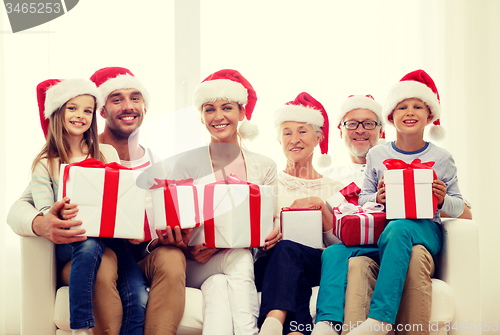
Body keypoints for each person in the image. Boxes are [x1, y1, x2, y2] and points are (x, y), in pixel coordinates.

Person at [8, 67, 188, 335]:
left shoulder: (157, 165)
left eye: (135, 97)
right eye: (116, 99)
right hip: (91, 248)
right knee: (102, 260)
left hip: (138, 252)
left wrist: (162, 237)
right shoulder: (61, 160)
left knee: (169, 259)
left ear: (145, 107)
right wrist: (41, 222)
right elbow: (20, 208)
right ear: (103, 110)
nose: (128, 106)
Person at [312, 69, 464, 335]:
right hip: (386, 234)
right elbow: (364, 199)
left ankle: (380, 319)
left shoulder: (442, 157)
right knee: (335, 252)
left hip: (425, 231)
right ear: (391, 117)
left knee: (401, 226)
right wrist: (377, 198)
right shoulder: (377, 155)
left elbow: (461, 207)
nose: (410, 112)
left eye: (418, 106)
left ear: (430, 116)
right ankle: (327, 323)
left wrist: (441, 200)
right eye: (402, 106)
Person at [163, 69, 280, 335]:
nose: (218, 117)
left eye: (226, 107)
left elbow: (271, 219)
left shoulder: (264, 165)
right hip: (195, 262)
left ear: (242, 112)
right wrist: (186, 247)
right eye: (209, 109)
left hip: (240, 262)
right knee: (237, 258)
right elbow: (170, 219)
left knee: (218, 286)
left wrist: (274, 232)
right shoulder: (186, 163)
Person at [30, 78, 143, 335]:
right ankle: (80, 327)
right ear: (57, 112)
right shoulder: (46, 163)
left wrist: (134, 224)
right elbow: (47, 212)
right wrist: (58, 211)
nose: (80, 115)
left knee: (136, 294)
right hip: (72, 240)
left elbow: (122, 199)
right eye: (72, 108)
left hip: (111, 238)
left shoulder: (106, 154)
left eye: (87, 110)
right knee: (88, 243)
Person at [255, 92, 343, 335]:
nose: (294, 139)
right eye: (287, 132)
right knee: (287, 254)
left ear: (318, 138)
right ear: (279, 140)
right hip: (272, 262)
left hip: (318, 263)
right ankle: (296, 331)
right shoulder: (267, 183)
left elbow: (339, 245)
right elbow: (254, 232)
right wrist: (266, 238)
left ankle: (273, 325)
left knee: (291, 254)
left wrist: (322, 208)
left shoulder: (335, 187)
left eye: (302, 131)